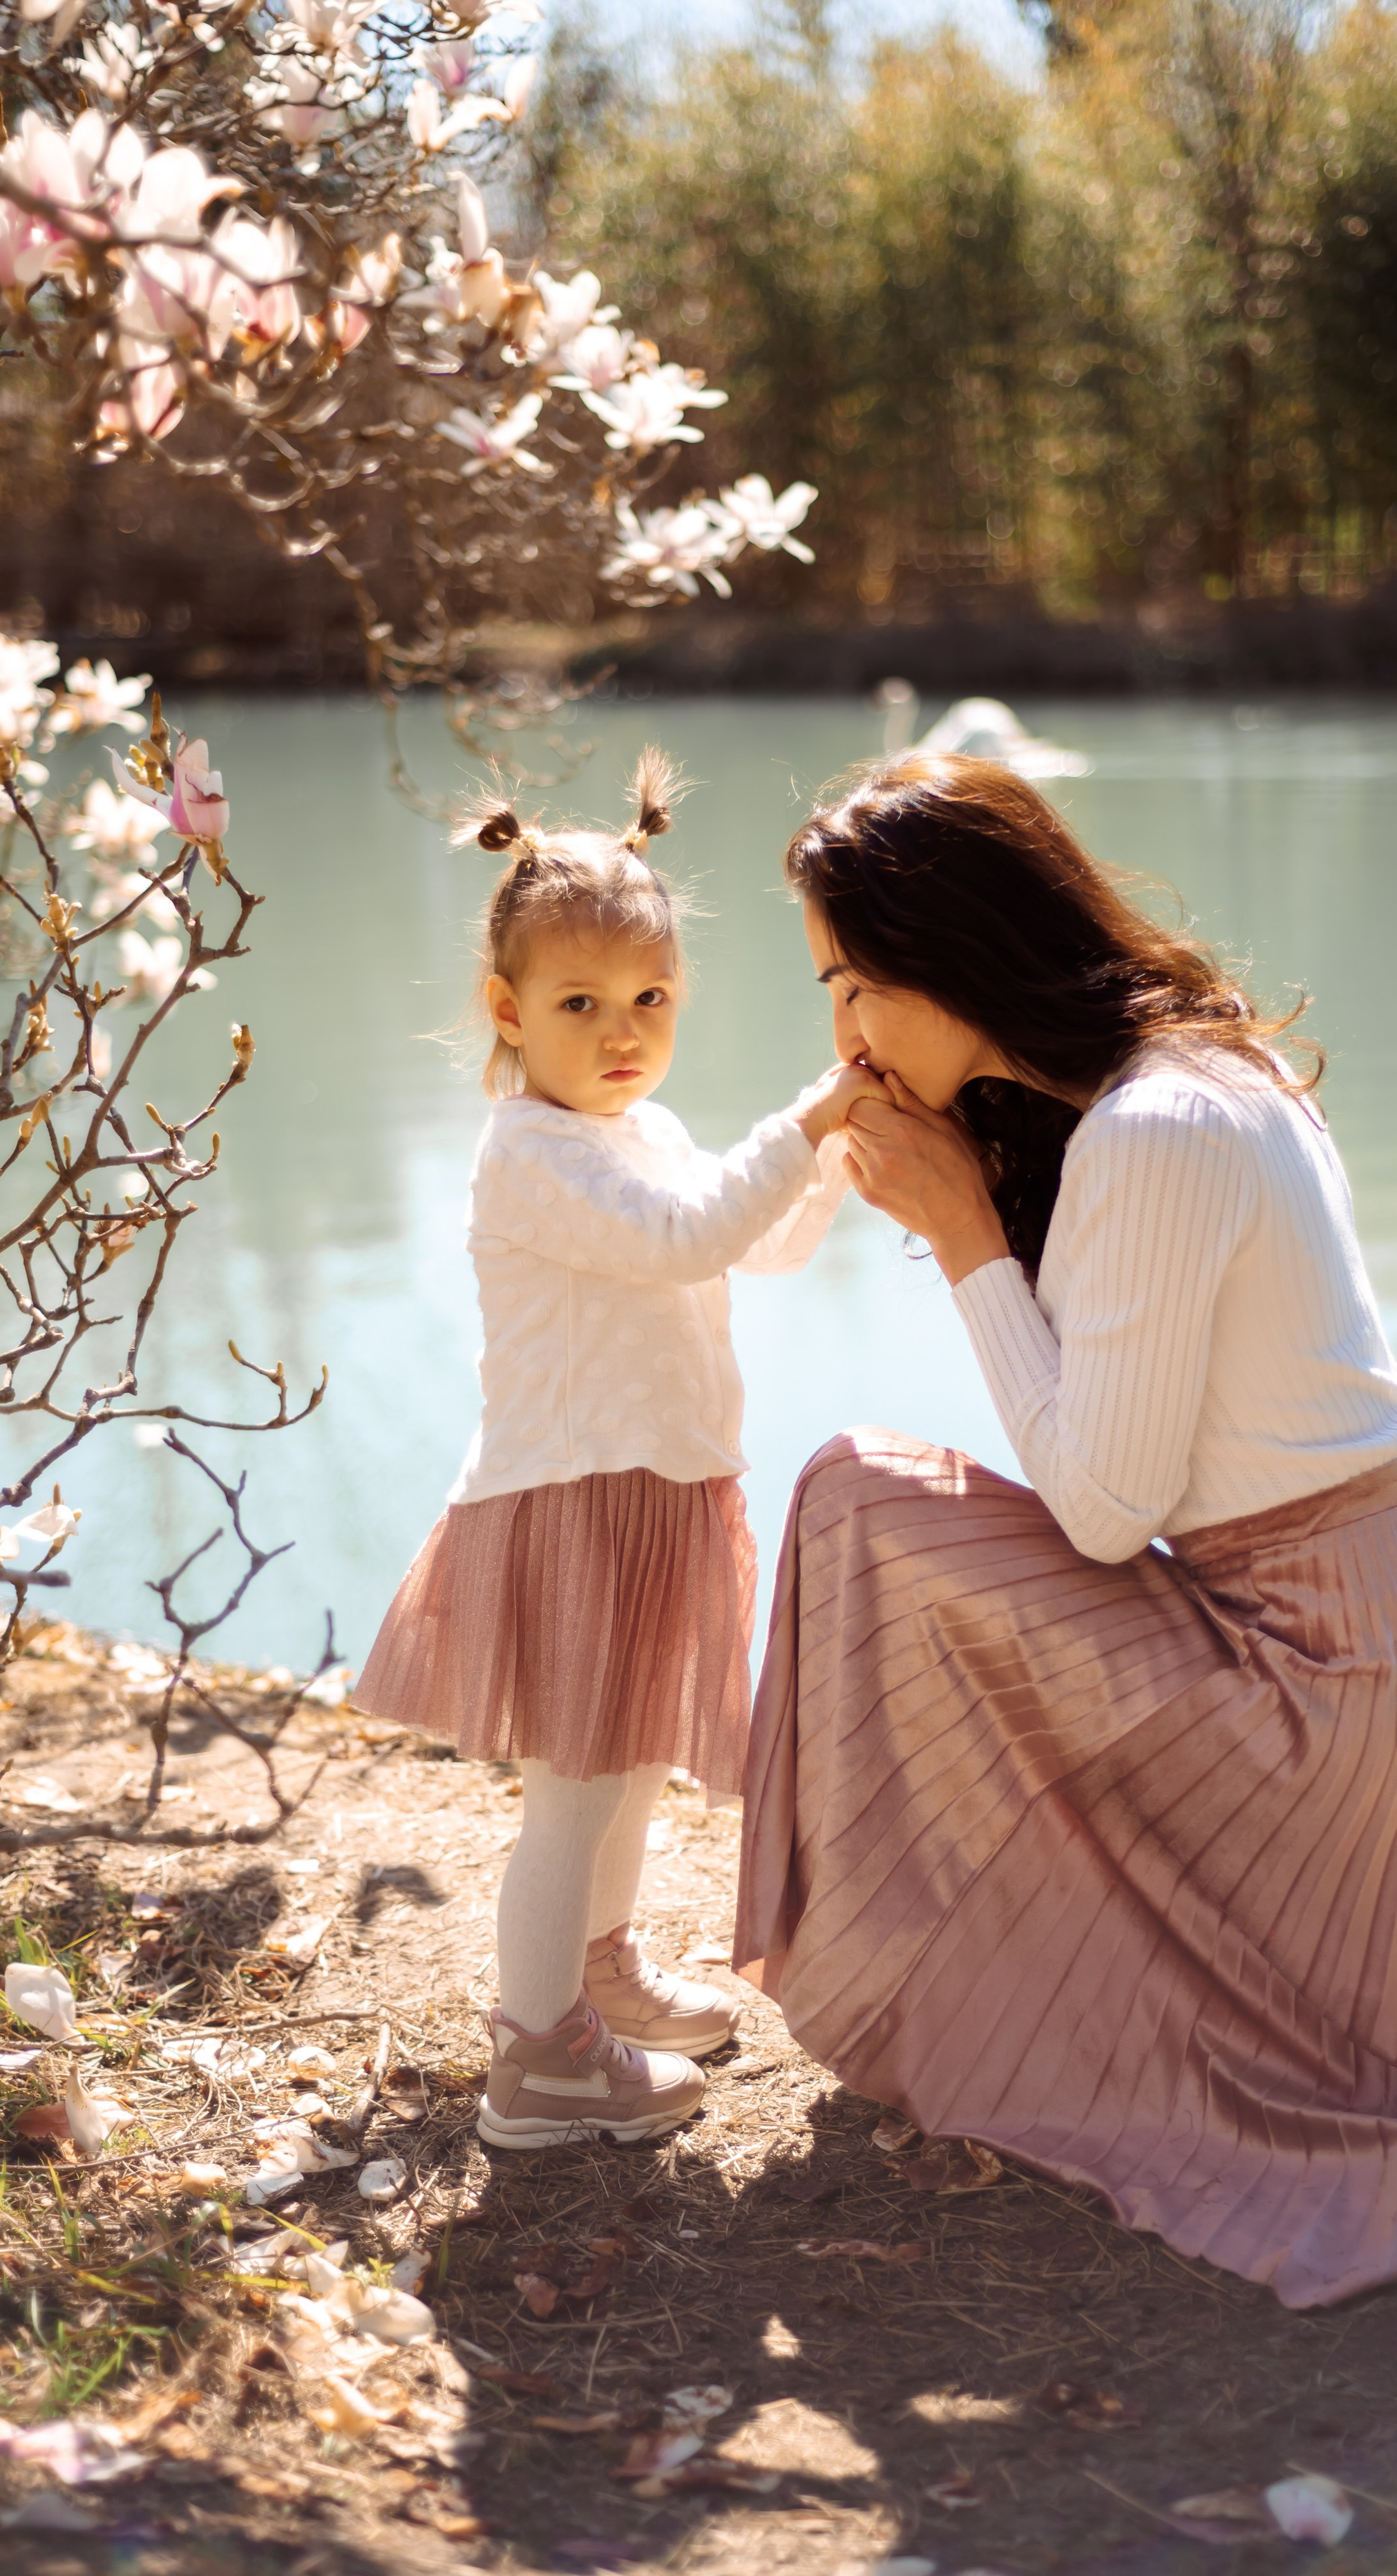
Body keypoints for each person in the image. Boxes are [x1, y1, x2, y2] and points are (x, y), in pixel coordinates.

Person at [733, 748, 1397, 2309]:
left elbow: (1097, 1517)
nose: (844, 1034)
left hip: (1323, 1694)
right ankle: (958, 1951)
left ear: (948, 963)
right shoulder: (1194, 1074)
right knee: (873, 1500)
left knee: (858, 1499)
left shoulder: (1152, 1134)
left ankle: (919, 1967)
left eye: (852, 984)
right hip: (1391, 1650)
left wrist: (959, 1237)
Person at [357, 750, 870, 2152]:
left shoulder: (637, 1129)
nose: (619, 1031)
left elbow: (750, 1240)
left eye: (646, 999)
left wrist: (826, 1161)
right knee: (573, 1798)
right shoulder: (528, 1152)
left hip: (656, 1487)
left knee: (630, 1766)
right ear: (508, 1011)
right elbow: (681, 1235)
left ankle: (596, 1974)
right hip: (574, 1499)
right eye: (579, 1005)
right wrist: (807, 1115)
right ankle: (535, 2067)